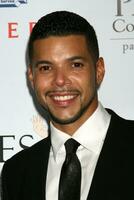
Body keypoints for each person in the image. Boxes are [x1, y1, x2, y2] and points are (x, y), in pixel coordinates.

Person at [1, 10, 134, 200]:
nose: (60, 81)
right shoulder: (17, 172)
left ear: (99, 70)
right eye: (46, 68)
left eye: (75, 65)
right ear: (32, 77)